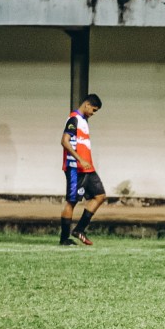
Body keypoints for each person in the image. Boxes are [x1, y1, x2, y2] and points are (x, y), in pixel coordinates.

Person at [60, 94, 105, 246]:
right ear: (86, 105)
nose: (93, 113)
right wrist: (80, 159)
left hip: (87, 168)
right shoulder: (74, 119)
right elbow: (64, 141)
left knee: (100, 196)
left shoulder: (84, 121)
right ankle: (64, 238)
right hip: (75, 168)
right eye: (93, 110)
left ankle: (79, 229)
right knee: (71, 202)